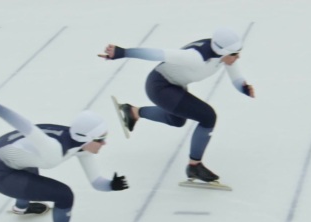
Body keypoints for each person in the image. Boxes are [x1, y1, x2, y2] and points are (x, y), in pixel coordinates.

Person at [0, 83, 129, 222]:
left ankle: (21, 207)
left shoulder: (82, 147)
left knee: (28, 165)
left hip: (9, 154)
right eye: (101, 139)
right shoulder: (53, 148)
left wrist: (111, 185)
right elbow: (24, 125)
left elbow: (96, 182)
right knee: (64, 195)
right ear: (86, 138)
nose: (105, 143)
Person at [98, 27, 255, 183]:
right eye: (235, 54)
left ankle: (133, 112)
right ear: (223, 51)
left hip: (175, 86)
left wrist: (244, 87)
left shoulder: (224, 55)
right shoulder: (195, 57)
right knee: (208, 117)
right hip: (160, 86)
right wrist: (123, 52)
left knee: (177, 120)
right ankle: (194, 165)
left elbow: (236, 77)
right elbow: (157, 54)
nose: (238, 57)